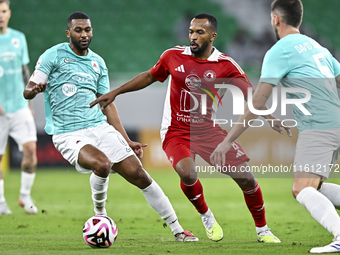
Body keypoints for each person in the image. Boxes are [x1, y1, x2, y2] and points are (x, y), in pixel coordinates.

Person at [90, 13, 283, 243]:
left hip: (209, 132)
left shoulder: (226, 65)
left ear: (213, 36)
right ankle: (206, 216)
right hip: (176, 131)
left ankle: (263, 230)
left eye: (199, 32)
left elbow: (250, 96)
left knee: (246, 179)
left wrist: (269, 115)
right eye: (191, 31)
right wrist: (116, 92)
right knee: (187, 172)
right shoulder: (173, 56)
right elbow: (149, 76)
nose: (193, 36)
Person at [23, 12, 198, 242]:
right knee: (102, 164)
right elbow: (29, 87)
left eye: (87, 29)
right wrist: (33, 90)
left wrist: (126, 140)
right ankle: (100, 215)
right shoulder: (53, 56)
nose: (84, 34)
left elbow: (108, 105)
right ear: (68, 33)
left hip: (99, 127)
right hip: (68, 133)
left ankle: (178, 230)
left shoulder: (97, 63)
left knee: (140, 175)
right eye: (78, 30)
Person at [210, 0, 340, 253]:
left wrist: (228, 141)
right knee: (315, 187)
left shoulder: (280, 51)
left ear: (275, 20)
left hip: (318, 126)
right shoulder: (318, 47)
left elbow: (258, 100)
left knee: (301, 189)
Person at [0, 0, 38, 215]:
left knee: (31, 150)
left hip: (19, 106)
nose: (1, 16)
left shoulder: (18, 38)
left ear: (9, 13)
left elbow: (25, 71)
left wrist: (30, 101)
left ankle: (25, 196)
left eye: (3, 11)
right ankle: (0, 201)